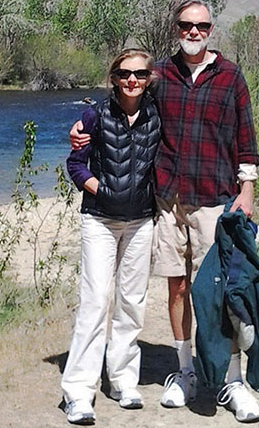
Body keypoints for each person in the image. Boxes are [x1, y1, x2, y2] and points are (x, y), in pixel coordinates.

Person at [71, 0, 259, 423]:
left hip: (216, 198)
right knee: (176, 289)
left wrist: (246, 189)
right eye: (185, 25)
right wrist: (84, 122)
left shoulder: (230, 77)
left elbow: (246, 137)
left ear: (212, 29)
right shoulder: (162, 74)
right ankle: (185, 371)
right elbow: (120, 94)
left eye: (201, 26)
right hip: (168, 201)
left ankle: (232, 381)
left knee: (216, 293)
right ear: (176, 28)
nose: (193, 32)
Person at [62, 48, 161, 426]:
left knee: (132, 302)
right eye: (124, 74)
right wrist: (98, 190)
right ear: (114, 78)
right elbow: (74, 163)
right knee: (95, 301)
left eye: (139, 74)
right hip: (100, 221)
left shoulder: (157, 114)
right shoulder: (95, 115)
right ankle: (78, 392)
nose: (131, 80)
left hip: (141, 221)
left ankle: (122, 379)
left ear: (149, 77)